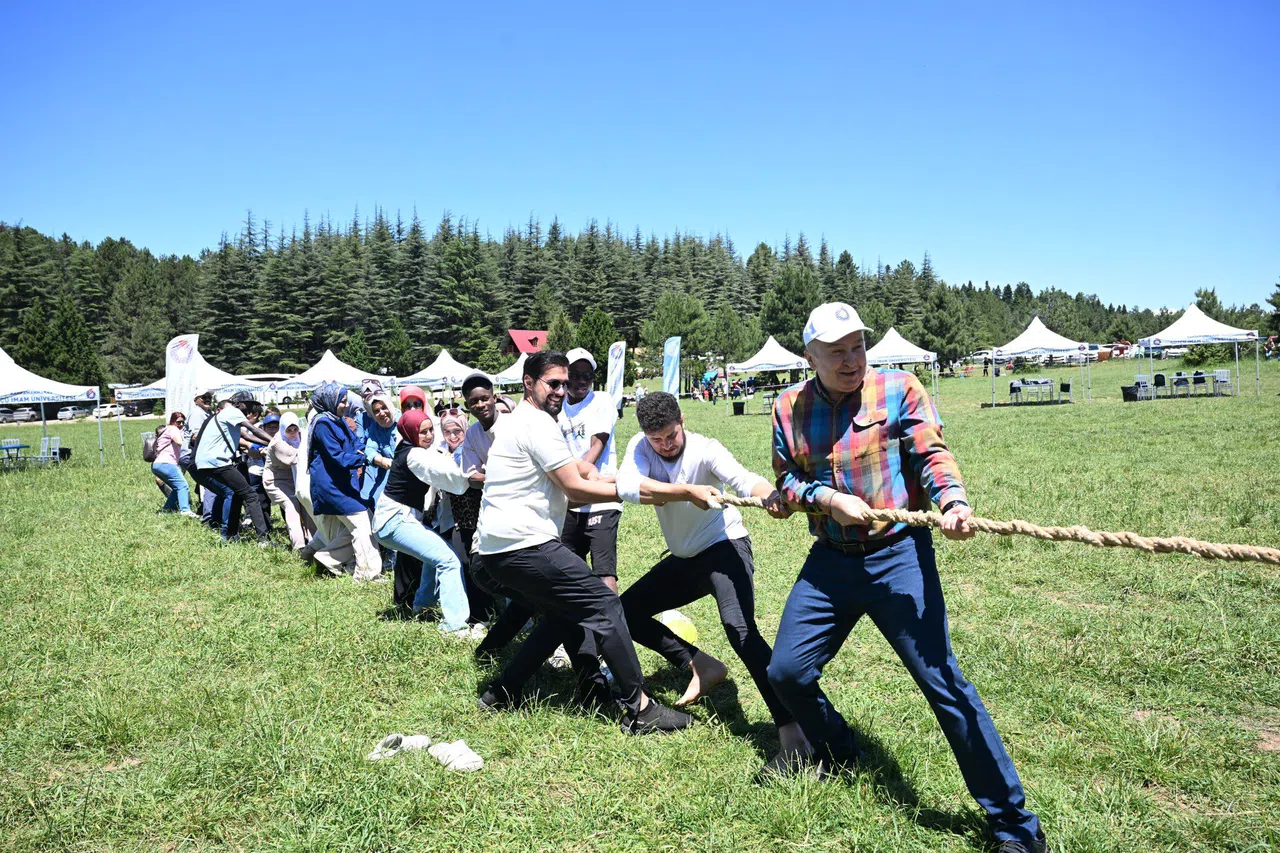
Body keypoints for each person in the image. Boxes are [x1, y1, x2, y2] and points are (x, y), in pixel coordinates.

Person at [764, 302, 1045, 852]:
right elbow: (787, 479)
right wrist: (824, 498)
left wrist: (953, 502)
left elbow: (930, 454)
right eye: (837, 351)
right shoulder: (787, 408)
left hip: (898, 556)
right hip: (831, 561)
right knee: (787, 672)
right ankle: (841, 748)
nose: (851, 359)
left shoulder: (900, 388)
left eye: (858, 346)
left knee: (943, 682)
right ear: (810, 357)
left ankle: (1016, 829)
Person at [471, 351, 720, 735]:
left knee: (562, 613)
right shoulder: (537, 424)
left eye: (564, 383)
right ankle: (640, 708)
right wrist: (657, 493)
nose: (560, 390)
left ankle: (504, 691)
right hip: (522, 546)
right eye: (552, 383)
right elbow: (575, 489)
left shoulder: (517, 421)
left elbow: (582, 471)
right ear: (527, 382)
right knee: (605, 603)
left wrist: (665, 489)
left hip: (494, 553)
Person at [614, 391, 807, 756]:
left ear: (682, 420)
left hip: (724, 548)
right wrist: (686, 491)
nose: (666, 445)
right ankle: (700, 664)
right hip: (686, 558)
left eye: (671, 435)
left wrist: (770, 495)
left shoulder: (706, 448)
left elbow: (742, 477)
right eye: (657, 439)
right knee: (624, 611)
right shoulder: (641, 447)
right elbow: (626, 487)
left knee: (740, 628)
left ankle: (792, 728)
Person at [373, 409, 476, 636]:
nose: (429, 436)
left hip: (392, 520)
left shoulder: (408, 448)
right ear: (410, 432)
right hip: (395, 521)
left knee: (436, 555)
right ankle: (454, 626)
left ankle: (423, 605)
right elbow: (445, 473)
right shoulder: (415, 455)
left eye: (431, 430)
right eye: (423, 432)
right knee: (448, 560)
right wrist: (472, 476)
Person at [300, 382, 382, 581]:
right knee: (362, 522)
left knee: (360, 523)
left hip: (341, 484)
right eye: (342, 401)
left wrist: (367, 448)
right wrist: (366, 458)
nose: (345, 405)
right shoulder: (322, 424)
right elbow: (338, 456)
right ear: (329, 401)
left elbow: (354, 442)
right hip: (331, 486)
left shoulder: (337, 420)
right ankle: (366, 575)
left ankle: (327, 558)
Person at [557, 348, 622, 593]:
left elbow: (597, 445)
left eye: (588, 375)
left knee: (604, 572)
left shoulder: (602, 401)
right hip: (570, 500)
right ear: (565, 375)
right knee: (567, 571)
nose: (582, 380)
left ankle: (614, 631)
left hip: (600, 497)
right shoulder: (558, 407)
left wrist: (574, 479)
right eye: (575, 374)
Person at [192, 391, 276, 546]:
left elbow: (248, 436)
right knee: (251, 495)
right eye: (247, 404)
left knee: (237, 494)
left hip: (204, 464)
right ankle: (263, 540)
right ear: (238, 403)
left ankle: (230, 535)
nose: (250, 408)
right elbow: (254, 429)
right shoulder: (233, 411)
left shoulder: (226, 416)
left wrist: (271, 443)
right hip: (217, 462)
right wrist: (277, 441)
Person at [264, 412, 314, 550]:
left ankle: (315, 542)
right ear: (283, 429)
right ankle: (299, 547)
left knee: (307, 507)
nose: (292, 433)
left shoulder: (302, 435)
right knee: (292, 507)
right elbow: (294, 458)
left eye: (295, 429)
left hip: (295, 479)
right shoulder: (277, 442)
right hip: (277, 481)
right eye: (289, 430)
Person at [359, 388, 399, 509]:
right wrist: (381, 460)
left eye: (384, 408)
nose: (381, 413)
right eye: (376, 411)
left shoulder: (403, 421)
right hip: (389, 472)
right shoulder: (375, 428)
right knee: (375, 499)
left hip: (409, 474)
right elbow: (370, 449)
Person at [152, 412, 197, 518]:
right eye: (178, 422)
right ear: (173, 421)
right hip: (167, 463)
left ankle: (166, 510)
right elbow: (178, 442)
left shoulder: (165, 429)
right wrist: (189, 441)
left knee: (176, 488)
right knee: (183, 486)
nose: (181, 424)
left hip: (157, 464)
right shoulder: (173, 429)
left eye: (182, 422)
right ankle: (185, 510)